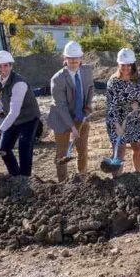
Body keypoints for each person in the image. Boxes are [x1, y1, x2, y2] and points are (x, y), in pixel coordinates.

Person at [46, 41, 94, 182]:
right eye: (70, 58)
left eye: (76, 58)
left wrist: (88, 105)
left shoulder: (87, 71)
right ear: (64, 59)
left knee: (82, 150)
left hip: (81, 116)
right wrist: (72, 128)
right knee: (62, 153)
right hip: (61, 119)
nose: (73, 61)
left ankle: (83, 178)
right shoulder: (58, 79)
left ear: (81, 58)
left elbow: (91, 89)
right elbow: (60, 106)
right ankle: (62, 183)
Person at [0, 50, 41, 177]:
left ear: (11, 66)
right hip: (13, 119)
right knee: (3, 149)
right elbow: (2, 97)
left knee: (24, 149)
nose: (3, 69)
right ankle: (15, 177)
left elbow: (14, 111)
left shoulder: (19, 83)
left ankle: (25, 179)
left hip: (28, 118)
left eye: (6, 65)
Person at [105, 48, 140, 175]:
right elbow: (110, 106)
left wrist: (138, 103)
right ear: (118, 64)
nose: (126, 68)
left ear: (133, 64)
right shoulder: (113, 82)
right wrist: (116, 125)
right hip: (117, 120)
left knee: (138, 148)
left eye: (128, 65)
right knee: (120, 150)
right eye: (123, 65)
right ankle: (118, 180)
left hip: (134, 119)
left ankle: (137, 173)